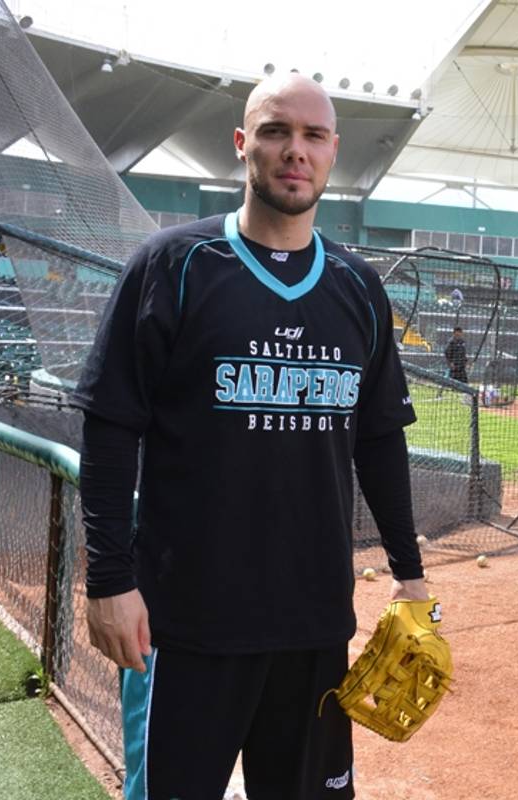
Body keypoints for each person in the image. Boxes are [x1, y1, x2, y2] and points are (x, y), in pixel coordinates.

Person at [71, 74, 428, 800]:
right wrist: (109, 579)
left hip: (315, 624)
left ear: (334, 155)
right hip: (186, 624)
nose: (294, 151)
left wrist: (410, 573)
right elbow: (110, 428)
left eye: (313, 136)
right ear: (243, 145)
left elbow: (380, 438)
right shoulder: (174, 266)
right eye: (275, 131)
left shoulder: (359, 288)